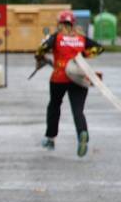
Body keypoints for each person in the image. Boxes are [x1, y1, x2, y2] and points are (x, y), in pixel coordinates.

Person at [36, 9, 104, 157]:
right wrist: (85, 54)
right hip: (78, 77)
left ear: (60, 23)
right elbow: (99, 48)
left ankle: (50, 139)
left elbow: (41, 49)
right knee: (78, 110)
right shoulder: (81, 38)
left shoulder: (56, 37)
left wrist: (41, 58)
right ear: (73, 23)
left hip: (59, 77)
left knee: (54, 106)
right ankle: (82, 133)